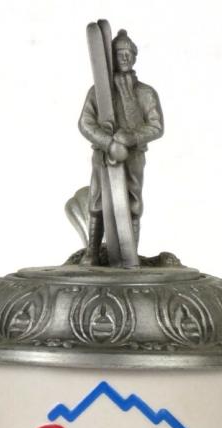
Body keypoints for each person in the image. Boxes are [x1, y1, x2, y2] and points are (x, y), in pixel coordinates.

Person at [78, 28, 164, 264]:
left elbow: (156, 126)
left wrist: (130, 137)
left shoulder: (146, 93)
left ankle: (129, 255)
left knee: (133, 203)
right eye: (119, 54)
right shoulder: (98, 92)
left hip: (134, 156)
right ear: (112, 58)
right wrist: (107, 142)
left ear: (134, 57)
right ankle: (92, 252)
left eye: (128, 54)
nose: (124, 58)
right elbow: (85, 123)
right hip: (103, 155)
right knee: (97, 202)